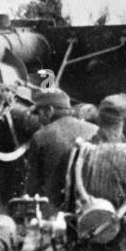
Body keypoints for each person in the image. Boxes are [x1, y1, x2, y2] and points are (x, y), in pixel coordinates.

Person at [23, 87, 97, 215]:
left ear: (49, 111)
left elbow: (32, 188)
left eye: (39, 113)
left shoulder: (41, 136)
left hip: (56, 213)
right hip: (92, 208)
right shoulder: (95, 130)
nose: (39, 118)